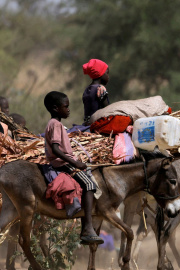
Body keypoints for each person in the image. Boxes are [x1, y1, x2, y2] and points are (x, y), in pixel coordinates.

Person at [43, 91, 103, 244]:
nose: (68, 109)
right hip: (63, 164)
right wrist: (75, 163)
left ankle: (86, 226)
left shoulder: (54, 124)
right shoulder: (55, 125)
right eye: (66, 107)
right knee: (90, 184)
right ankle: (88, 227)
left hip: (66, 162)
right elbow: (56, 149)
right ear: (56, 109)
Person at [82, 59, 110, 125]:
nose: (108, 77)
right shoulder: (100, 89)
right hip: (97, 124)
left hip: (87, 124)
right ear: (101, 73)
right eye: (107, 73)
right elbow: (107, 110)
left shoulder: (87, 89)